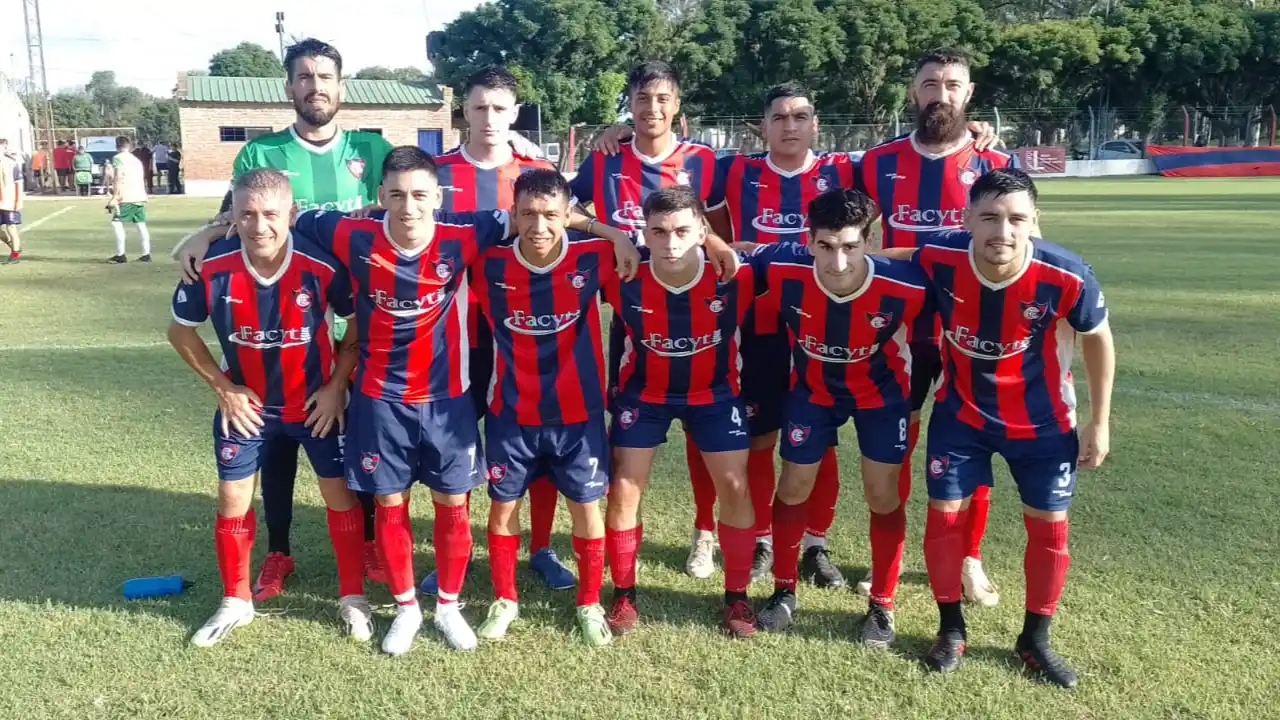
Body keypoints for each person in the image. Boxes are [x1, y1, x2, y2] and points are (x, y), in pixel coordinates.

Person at [289, 146, 640, 655]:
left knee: (454, 503)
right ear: (380, 196)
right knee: (389, 503)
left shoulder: (467, 233)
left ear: (439, 198)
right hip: (379, 399)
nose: (408, 207)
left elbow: (544, 213)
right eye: (396, 195)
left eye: (419, 195)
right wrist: (212, 231)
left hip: (447, 399)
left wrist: (612, 232)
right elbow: (285, 216)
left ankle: (449, 606)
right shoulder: (349, 232)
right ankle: (407, 608)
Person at [177, 38, 397, 599]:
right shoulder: (261, 153)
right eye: (304, 77)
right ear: (289, 86)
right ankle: (278, 550)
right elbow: (233, 216)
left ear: (341, 86)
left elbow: (405, 205)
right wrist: (203, 234)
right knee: (276, 443)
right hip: (289, 316)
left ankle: (369, 542)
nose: (314, 87)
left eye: (325, 77)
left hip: (367, 317)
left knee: (358, 437)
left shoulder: (373, 149)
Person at [907, 168, 1113, 687]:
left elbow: (1099, 339)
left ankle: (1035, 639)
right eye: (990, 217)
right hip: (961, 415)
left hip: (1042, 424)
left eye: (1017, 219)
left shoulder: (1067, 274)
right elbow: (885, 261)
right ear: (966, 220)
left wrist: (1099, 422)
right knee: (944, 519)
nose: (1003, 231)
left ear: (1034, 221)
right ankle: (950, 629)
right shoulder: (939, 257)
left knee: (1049, 528)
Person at [416, 66, 617, 595]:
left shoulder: (536, 170)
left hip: (523, 333)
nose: (489, 118)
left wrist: (610, 231)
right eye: (479, 107)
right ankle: (457, 552)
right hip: (453, 334)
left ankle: (542, 548)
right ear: (464, 110)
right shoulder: (435, 174)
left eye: (499, 108)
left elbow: (569, 218)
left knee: (539, 438)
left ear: (515, 113)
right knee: (456, 448)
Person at [166, 168, 373, 647]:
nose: (260, 226)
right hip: (248, 408)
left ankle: (352, 597)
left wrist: (336, 385)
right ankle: (235, 600)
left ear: (291, 213)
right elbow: (179, 331)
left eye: (271, 214)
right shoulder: (211, 265)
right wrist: (224, 388)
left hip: (315, 404)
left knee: (339, 495)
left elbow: (357, 323)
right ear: (233, 217)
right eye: (247, 215)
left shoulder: (321, 264)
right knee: (232, 498)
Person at [856, 47, 1019, 603]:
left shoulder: (995, 164)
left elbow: (1023, 245)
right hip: (899, 331)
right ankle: (892, 558)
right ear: (913, 91)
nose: (941, 95)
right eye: (930, 84)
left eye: (952, 85)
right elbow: (850, 231)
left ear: (969, 93)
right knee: (896, 445)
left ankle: (969, 557)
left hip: (972, 332)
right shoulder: (876, 162)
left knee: (972, 446)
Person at [738, 188, 928, 648]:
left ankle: (882, 603)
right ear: (808, 240)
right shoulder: (782, 266)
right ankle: (784, 590)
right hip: (813, 392)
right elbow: (737, 250)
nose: (837, 262)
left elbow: (952, 271)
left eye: (850, 246)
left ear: (870, 242)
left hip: (880, 396)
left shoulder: (908, 284)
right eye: (825, 246)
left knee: (882, 494)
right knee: (793, 486)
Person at [568, 61, 729, 580]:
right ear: (630, 105)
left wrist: (714, 240)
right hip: (634, 315)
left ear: (677, 105)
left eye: (662, 98)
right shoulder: (605, 157)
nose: (652, 108)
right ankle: (621, 550)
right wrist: (611, 232)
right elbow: (562, 208)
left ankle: (705, 534)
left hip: (699, 312)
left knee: (704, 433)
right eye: (642, 98)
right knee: (631, 436)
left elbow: (721, 230)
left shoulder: (704, 161)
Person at [704, 82, 854, 588]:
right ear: (763, 126)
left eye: (800, 116)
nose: (790, 126)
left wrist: (975, 134)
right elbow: (684, 189)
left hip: (825, 325)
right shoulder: (734, 170)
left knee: (821, 438)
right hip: (759, 325)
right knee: (761, 437)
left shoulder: (843, 170)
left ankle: (816, 543)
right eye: (779, 117)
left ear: (815, 123)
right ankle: (764, 538)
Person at [470, 170, 622, 646]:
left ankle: (589, 602)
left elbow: (668, 242)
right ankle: (505, 599)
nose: (539, 226)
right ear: (513, 215)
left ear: (567, 215)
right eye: (529, 215)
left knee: (586, 509)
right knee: (502, 508)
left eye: (551, 215)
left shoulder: (595, 256)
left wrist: (609, 231)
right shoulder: (486, 262)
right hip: (511, 414)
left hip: (578, 416)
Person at [602, 186, 760, 639]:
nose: (670, 243)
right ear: (644, 233)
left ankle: (736, 596)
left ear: (701, 230)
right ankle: (624, 593)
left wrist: (718, 242)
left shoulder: (736, 272)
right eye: (659, 232)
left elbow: (811, 253)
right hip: (644, 394)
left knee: (735, 485)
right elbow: (556, 217)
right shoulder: (622, 271)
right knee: (624, 488)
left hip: (714, 394)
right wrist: (612, 234)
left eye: (683, 231)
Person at [105, 136, 151, 264]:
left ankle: (120, 255)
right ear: (129, 146)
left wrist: (115, 196)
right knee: (140, 224)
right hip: (139, 195)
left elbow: (118, 178)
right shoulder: (136, 160)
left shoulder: (118, 158)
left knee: (116, 223)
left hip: (126, 196)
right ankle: (146, 254)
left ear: (117, 146)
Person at [0, 139, 23, 264]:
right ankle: (13, 245)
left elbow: (18, 182)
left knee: (11, 227)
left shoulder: (11, 163)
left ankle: (15, 254)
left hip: (8, 200)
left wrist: (18, 200)